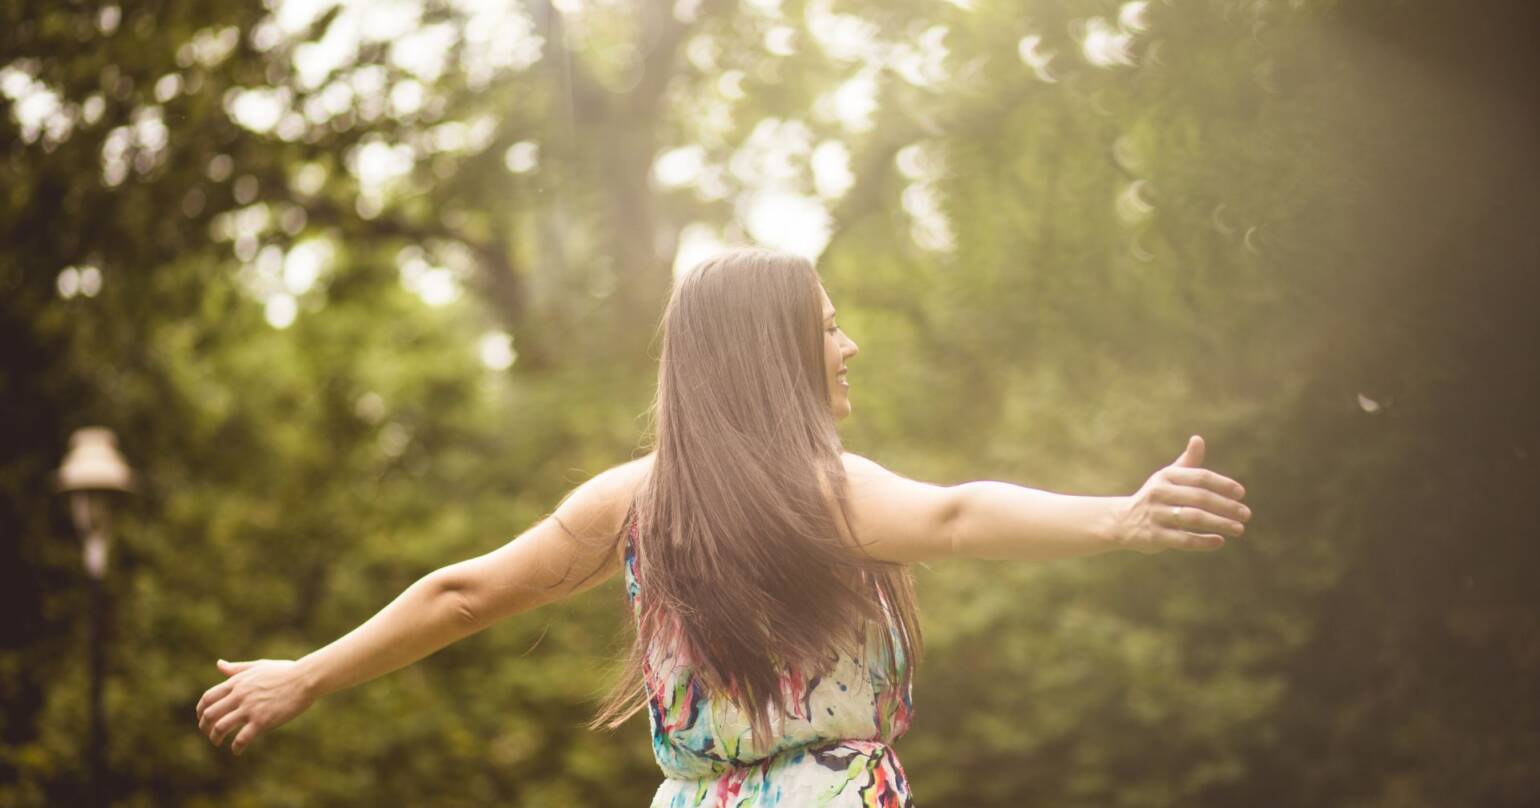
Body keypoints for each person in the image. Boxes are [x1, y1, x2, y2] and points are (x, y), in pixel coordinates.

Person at [195, 247, 1251, 806]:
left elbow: (463, 591)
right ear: (771, 352)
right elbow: (956, 512)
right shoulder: (822, 490)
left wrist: (308, 674)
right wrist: (1117, 516)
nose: (849, 345)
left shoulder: (634, 497)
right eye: (827, 325)